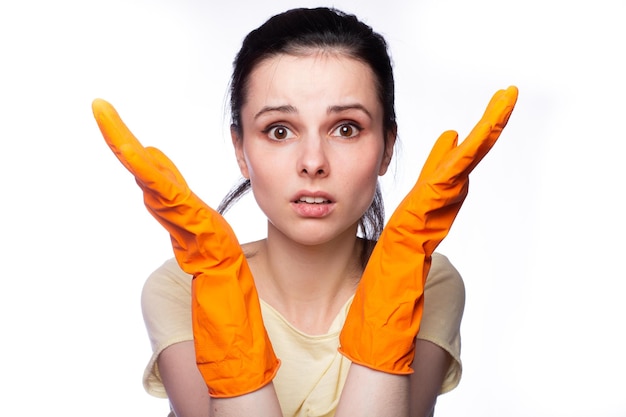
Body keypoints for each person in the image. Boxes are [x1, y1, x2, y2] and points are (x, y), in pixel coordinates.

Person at [92, 7, 517, 417]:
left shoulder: (428, 281)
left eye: (346, 128)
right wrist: (221, 284)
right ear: (241, 150)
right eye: (279, 130)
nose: (313, 161)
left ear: (387, 147)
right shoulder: (183, 288)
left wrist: (400, 269)